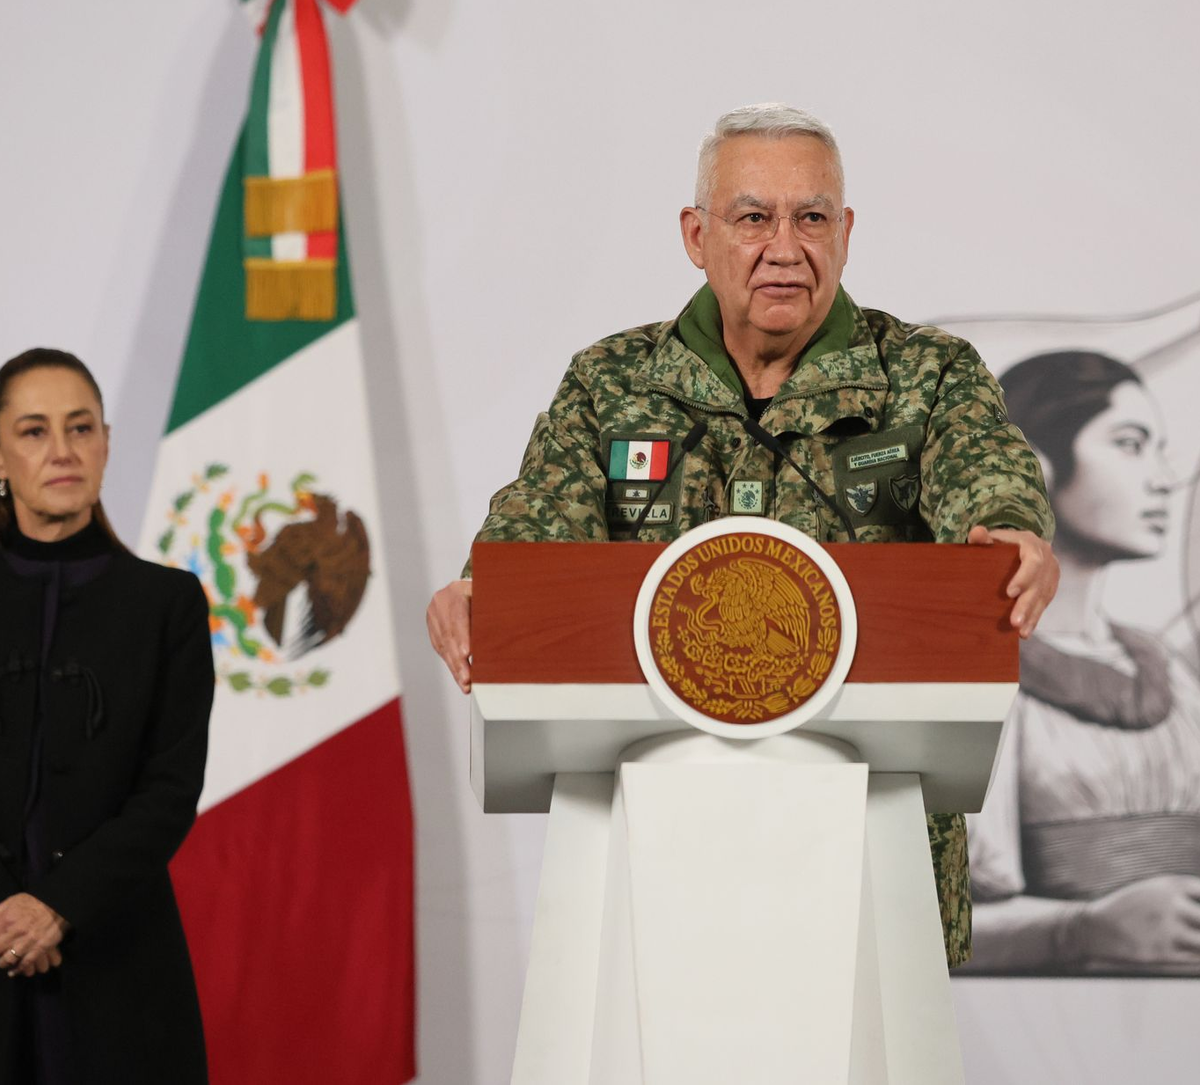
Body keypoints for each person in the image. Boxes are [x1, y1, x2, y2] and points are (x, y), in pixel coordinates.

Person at [426, 103, 1059, 966]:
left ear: (846, 233)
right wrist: (484, 591)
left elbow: (986, 480)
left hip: (871, 865)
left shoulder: (927, 373)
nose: (785, 247)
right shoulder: (612, 382)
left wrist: (1012, 534)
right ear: (697, 235)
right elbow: (537, 527)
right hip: (655, 861)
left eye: (812, 218)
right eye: (753, 217)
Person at [0, 349, 215, 1082]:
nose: (62, 450)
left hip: (119, 965)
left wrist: (56, 906)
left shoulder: (168, 605)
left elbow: (169, 792)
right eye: (34, 430)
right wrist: (9, 915)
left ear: (106, 442)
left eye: (81, 427)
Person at [965, 350, 1200, 974]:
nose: (1163, 479)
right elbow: (924, 922)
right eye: (1130, 445)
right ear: (1032, 466)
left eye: (1160, 450)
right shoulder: (983, 674)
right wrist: (1081, 929)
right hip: (1054, 1017)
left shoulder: (1176, 673)